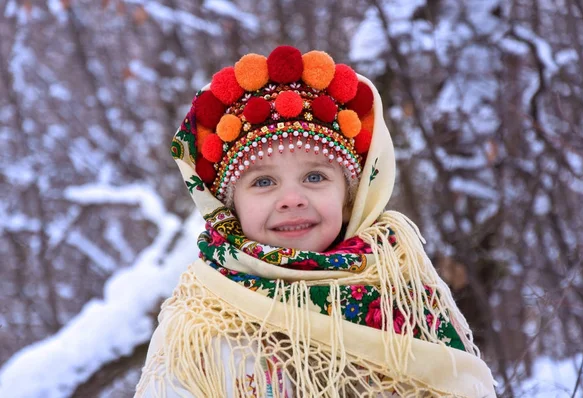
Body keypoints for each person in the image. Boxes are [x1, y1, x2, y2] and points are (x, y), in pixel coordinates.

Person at [135, 46, 496, 397]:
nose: (292, 199)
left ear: (349, 197)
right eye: (263, 182)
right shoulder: (199, 323)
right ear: (231, 207)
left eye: (315, 178)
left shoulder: (401, 284)